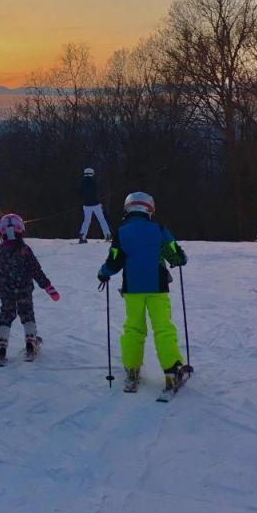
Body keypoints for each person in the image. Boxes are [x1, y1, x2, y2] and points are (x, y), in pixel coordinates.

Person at [96, 191, 189, 394]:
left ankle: (131, 369)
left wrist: (103, 273)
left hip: (133, 289)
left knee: (133, 328)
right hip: (157, 287)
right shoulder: (159, 229)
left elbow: (114, 260)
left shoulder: (121, 233)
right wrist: (179, 258)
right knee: (163, 327)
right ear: (150, 209)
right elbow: (176, 255)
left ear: (128, 209)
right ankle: (172, 370)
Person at [0, 213, 60, 363]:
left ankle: (1, 344)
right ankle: (30, 341)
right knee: (27, 313)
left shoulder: (0, 250)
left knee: (6, 314)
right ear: (21, 231)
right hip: (24, 290)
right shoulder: (25, 250)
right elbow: (36, 270)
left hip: (6, 291)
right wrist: (48, 287)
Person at [77, 167, 111, 243]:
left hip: (86, 205)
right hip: (96, 204)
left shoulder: (82, 183)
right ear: (92, 173)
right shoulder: (94, 182)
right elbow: (98, 193)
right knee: (102, 220)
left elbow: (80, 194)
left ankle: (82, 237)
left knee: (86, 221)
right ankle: (107, 236)